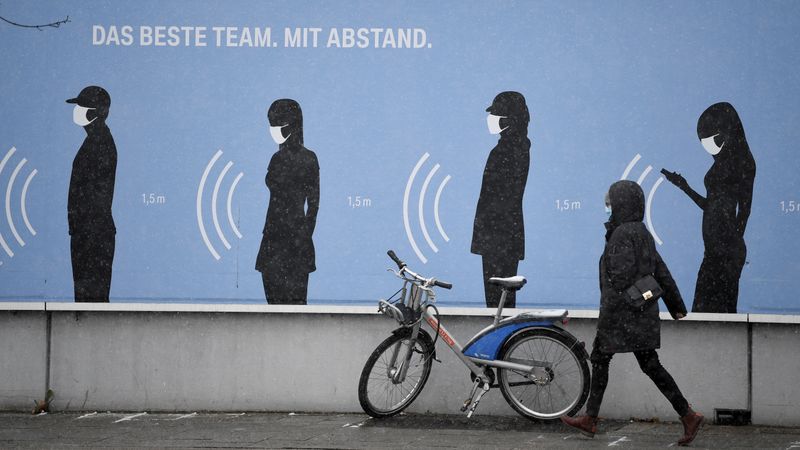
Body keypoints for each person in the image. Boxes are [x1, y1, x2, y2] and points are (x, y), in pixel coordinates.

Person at [560, 180, 704, 446]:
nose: (607, 209)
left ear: (620, 205)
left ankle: (591, 418)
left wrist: (611, 312)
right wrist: (676, 306)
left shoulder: (621, 235)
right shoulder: (642, 232)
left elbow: (620, 278)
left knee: (603, 360)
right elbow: (660, 270)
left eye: (610, 204)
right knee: (649, 365)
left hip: (620, 316)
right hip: (641, 313)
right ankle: (687, 415)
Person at [662, 102, 756, 313]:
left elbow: (745, 209)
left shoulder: (743, 162)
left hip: (725, 252)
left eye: (712, 139)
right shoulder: (721, 163)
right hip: (713, 251)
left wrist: (733, 239)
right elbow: (710, 206)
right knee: (705, 309)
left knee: (718, 310)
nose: (708, 146)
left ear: (728, 132)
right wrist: (683, 187)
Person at [255, 99, 319, 304]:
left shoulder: (304, 158)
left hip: (284, 237)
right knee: (286, 306)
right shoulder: (279, 157)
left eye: (278, 124)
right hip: (283, 236)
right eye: (271, 124)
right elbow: (314, 204)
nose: (274, 130)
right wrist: (304, 233)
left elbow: (314, 203)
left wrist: (303, 234)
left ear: (292, 125)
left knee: (285, 306)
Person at [471, 91, 530, 308]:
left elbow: (501, 197)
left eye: (497, 114)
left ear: (509, 118)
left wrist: (488, 228)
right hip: (501, 234)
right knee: (500, 300)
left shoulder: (510, 149)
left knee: (498, 301)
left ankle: (502, 340)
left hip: (499, 235)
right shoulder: (513, 147)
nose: (492, 120)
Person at [66, 86, 117, 302]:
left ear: (94, 112)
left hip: (92, 234)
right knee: (86, 298)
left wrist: (82, 226)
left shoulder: (100, 143)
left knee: (91, 301)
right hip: (87, 232)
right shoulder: (95, 140)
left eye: (81, 106)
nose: (77, 110)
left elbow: (96, 194)